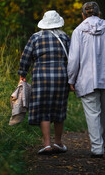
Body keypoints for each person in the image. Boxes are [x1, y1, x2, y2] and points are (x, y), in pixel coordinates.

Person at [67, 1, 105, 158]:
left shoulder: (78, 31)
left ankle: (97, 148)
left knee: (92, 114)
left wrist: (71, 79)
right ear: (100, 14)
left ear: (83, 15)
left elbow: (74, 59)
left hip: (86, 79)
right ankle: (102, 144)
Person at [18, 10, 70, 155]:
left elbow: (26, 57)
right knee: (59, 109)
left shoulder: (35, 37)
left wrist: (22, 74)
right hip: (61, 76)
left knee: (44, 109)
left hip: (41, 77)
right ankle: (58, 143)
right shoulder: (65, 37)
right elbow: (72, 58)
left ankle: (47, 145)